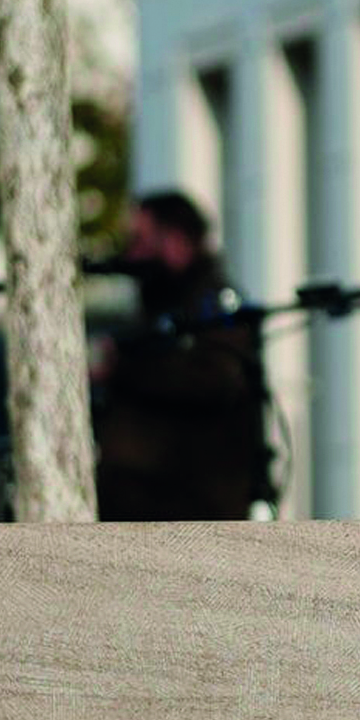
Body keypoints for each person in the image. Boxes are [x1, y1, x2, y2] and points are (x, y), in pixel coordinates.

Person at [93, 191, 268, 521]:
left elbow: (214, 380)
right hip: (148, 505)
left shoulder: (213, 306)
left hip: (190, 508)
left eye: (140, 240)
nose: (131, 255)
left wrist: (123, 368)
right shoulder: (166, 305)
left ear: (175, 240)